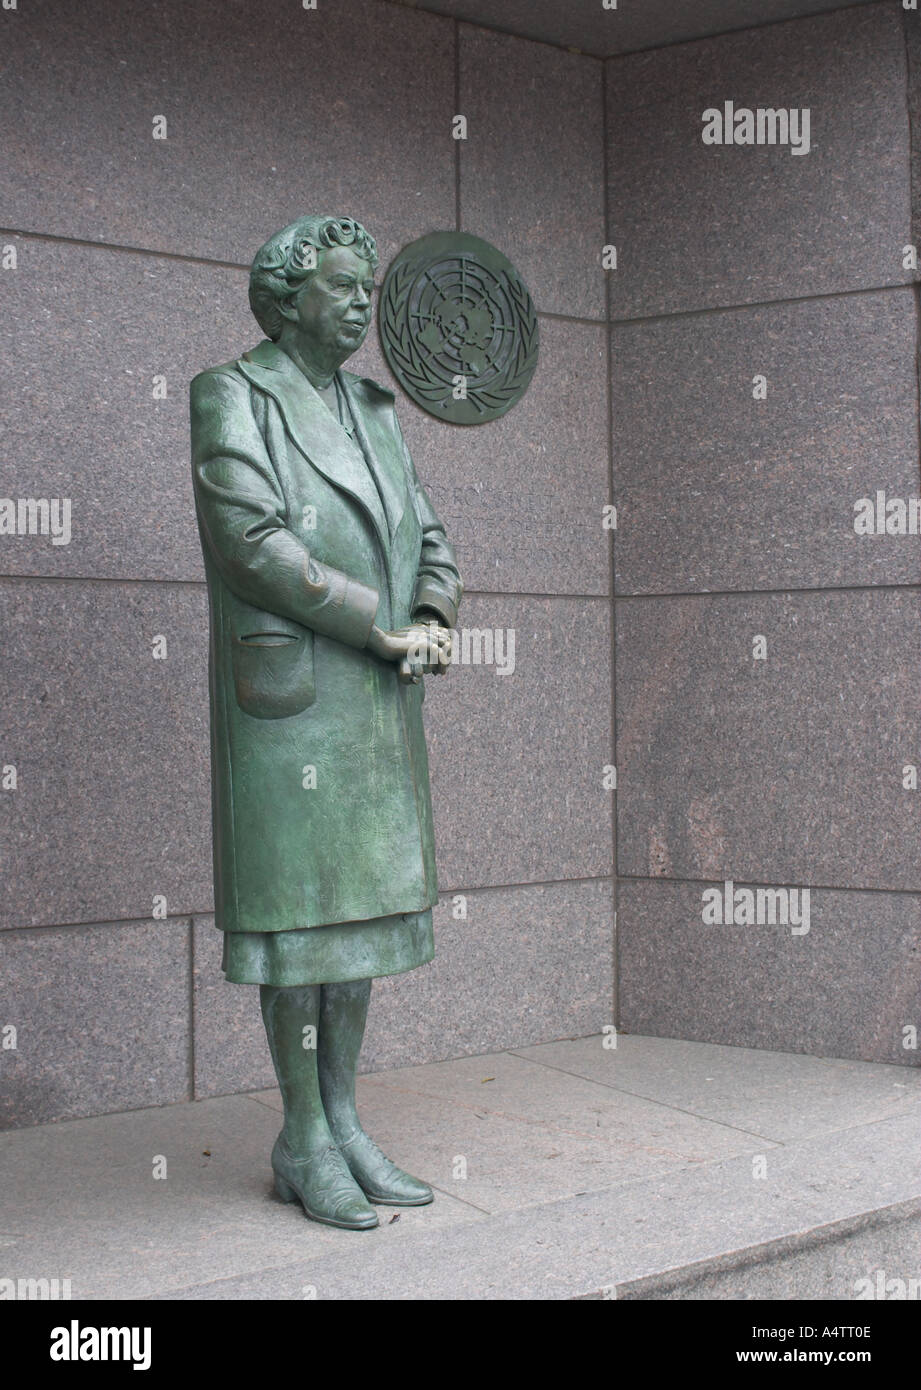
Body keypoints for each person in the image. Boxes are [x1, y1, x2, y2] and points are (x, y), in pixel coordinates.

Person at [190, 215, 462, 1230]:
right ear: (286, 294)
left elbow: (427, 527)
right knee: (304, 923)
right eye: (344, 286)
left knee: (362, 919)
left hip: (380, 697)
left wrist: (432, 613)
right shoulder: (231, 393)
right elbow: (249, 541)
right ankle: (301, 1133)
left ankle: (342, 1121)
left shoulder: (376, 410)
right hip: (298, 700)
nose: (362, 302)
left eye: (368, 287)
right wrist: (380, 625)